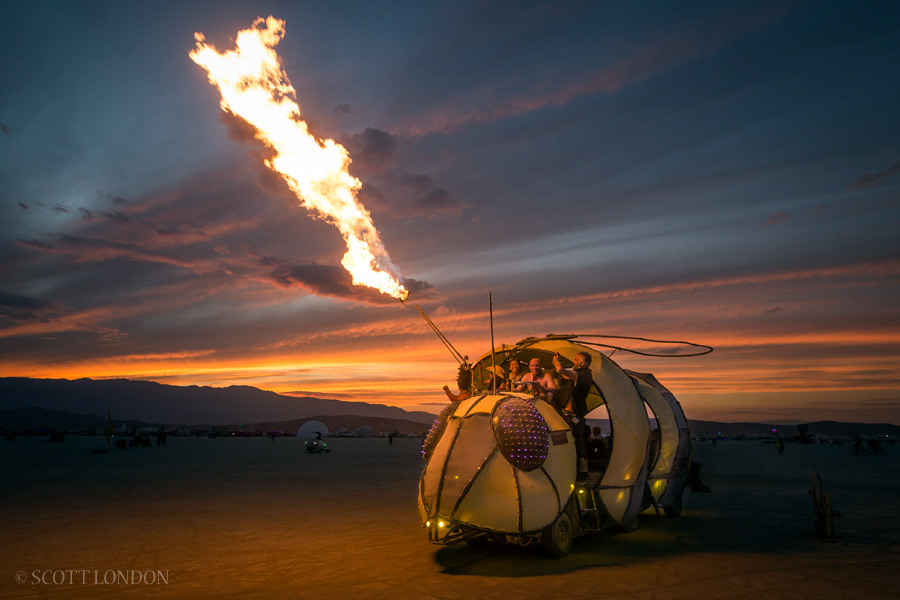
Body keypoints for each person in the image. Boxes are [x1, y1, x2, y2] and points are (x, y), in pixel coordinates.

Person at [553, 351, 593, 476]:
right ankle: (575, 472)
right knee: (575, 442)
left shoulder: (583, 376)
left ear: (582, 363)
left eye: (575, 360)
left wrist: (556, 361)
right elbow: (564, 374)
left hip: (574, 415)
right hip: (569, 414)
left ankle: (580, 473)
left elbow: (561, 370)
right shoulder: (580, 375)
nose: (573, 362)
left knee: (577, 443)